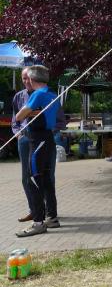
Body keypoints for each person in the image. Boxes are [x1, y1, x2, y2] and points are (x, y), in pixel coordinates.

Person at [12, 66, 65, 226]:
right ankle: (51, 217)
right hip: (44, 138)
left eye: (28, 78)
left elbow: (19, 116)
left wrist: (29, 113)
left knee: (33, 179)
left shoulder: (38, 94)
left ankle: (38, 221)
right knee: (46, 179)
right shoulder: (52, 94)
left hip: (38, 139)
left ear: (33, 79)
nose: (27, 81)